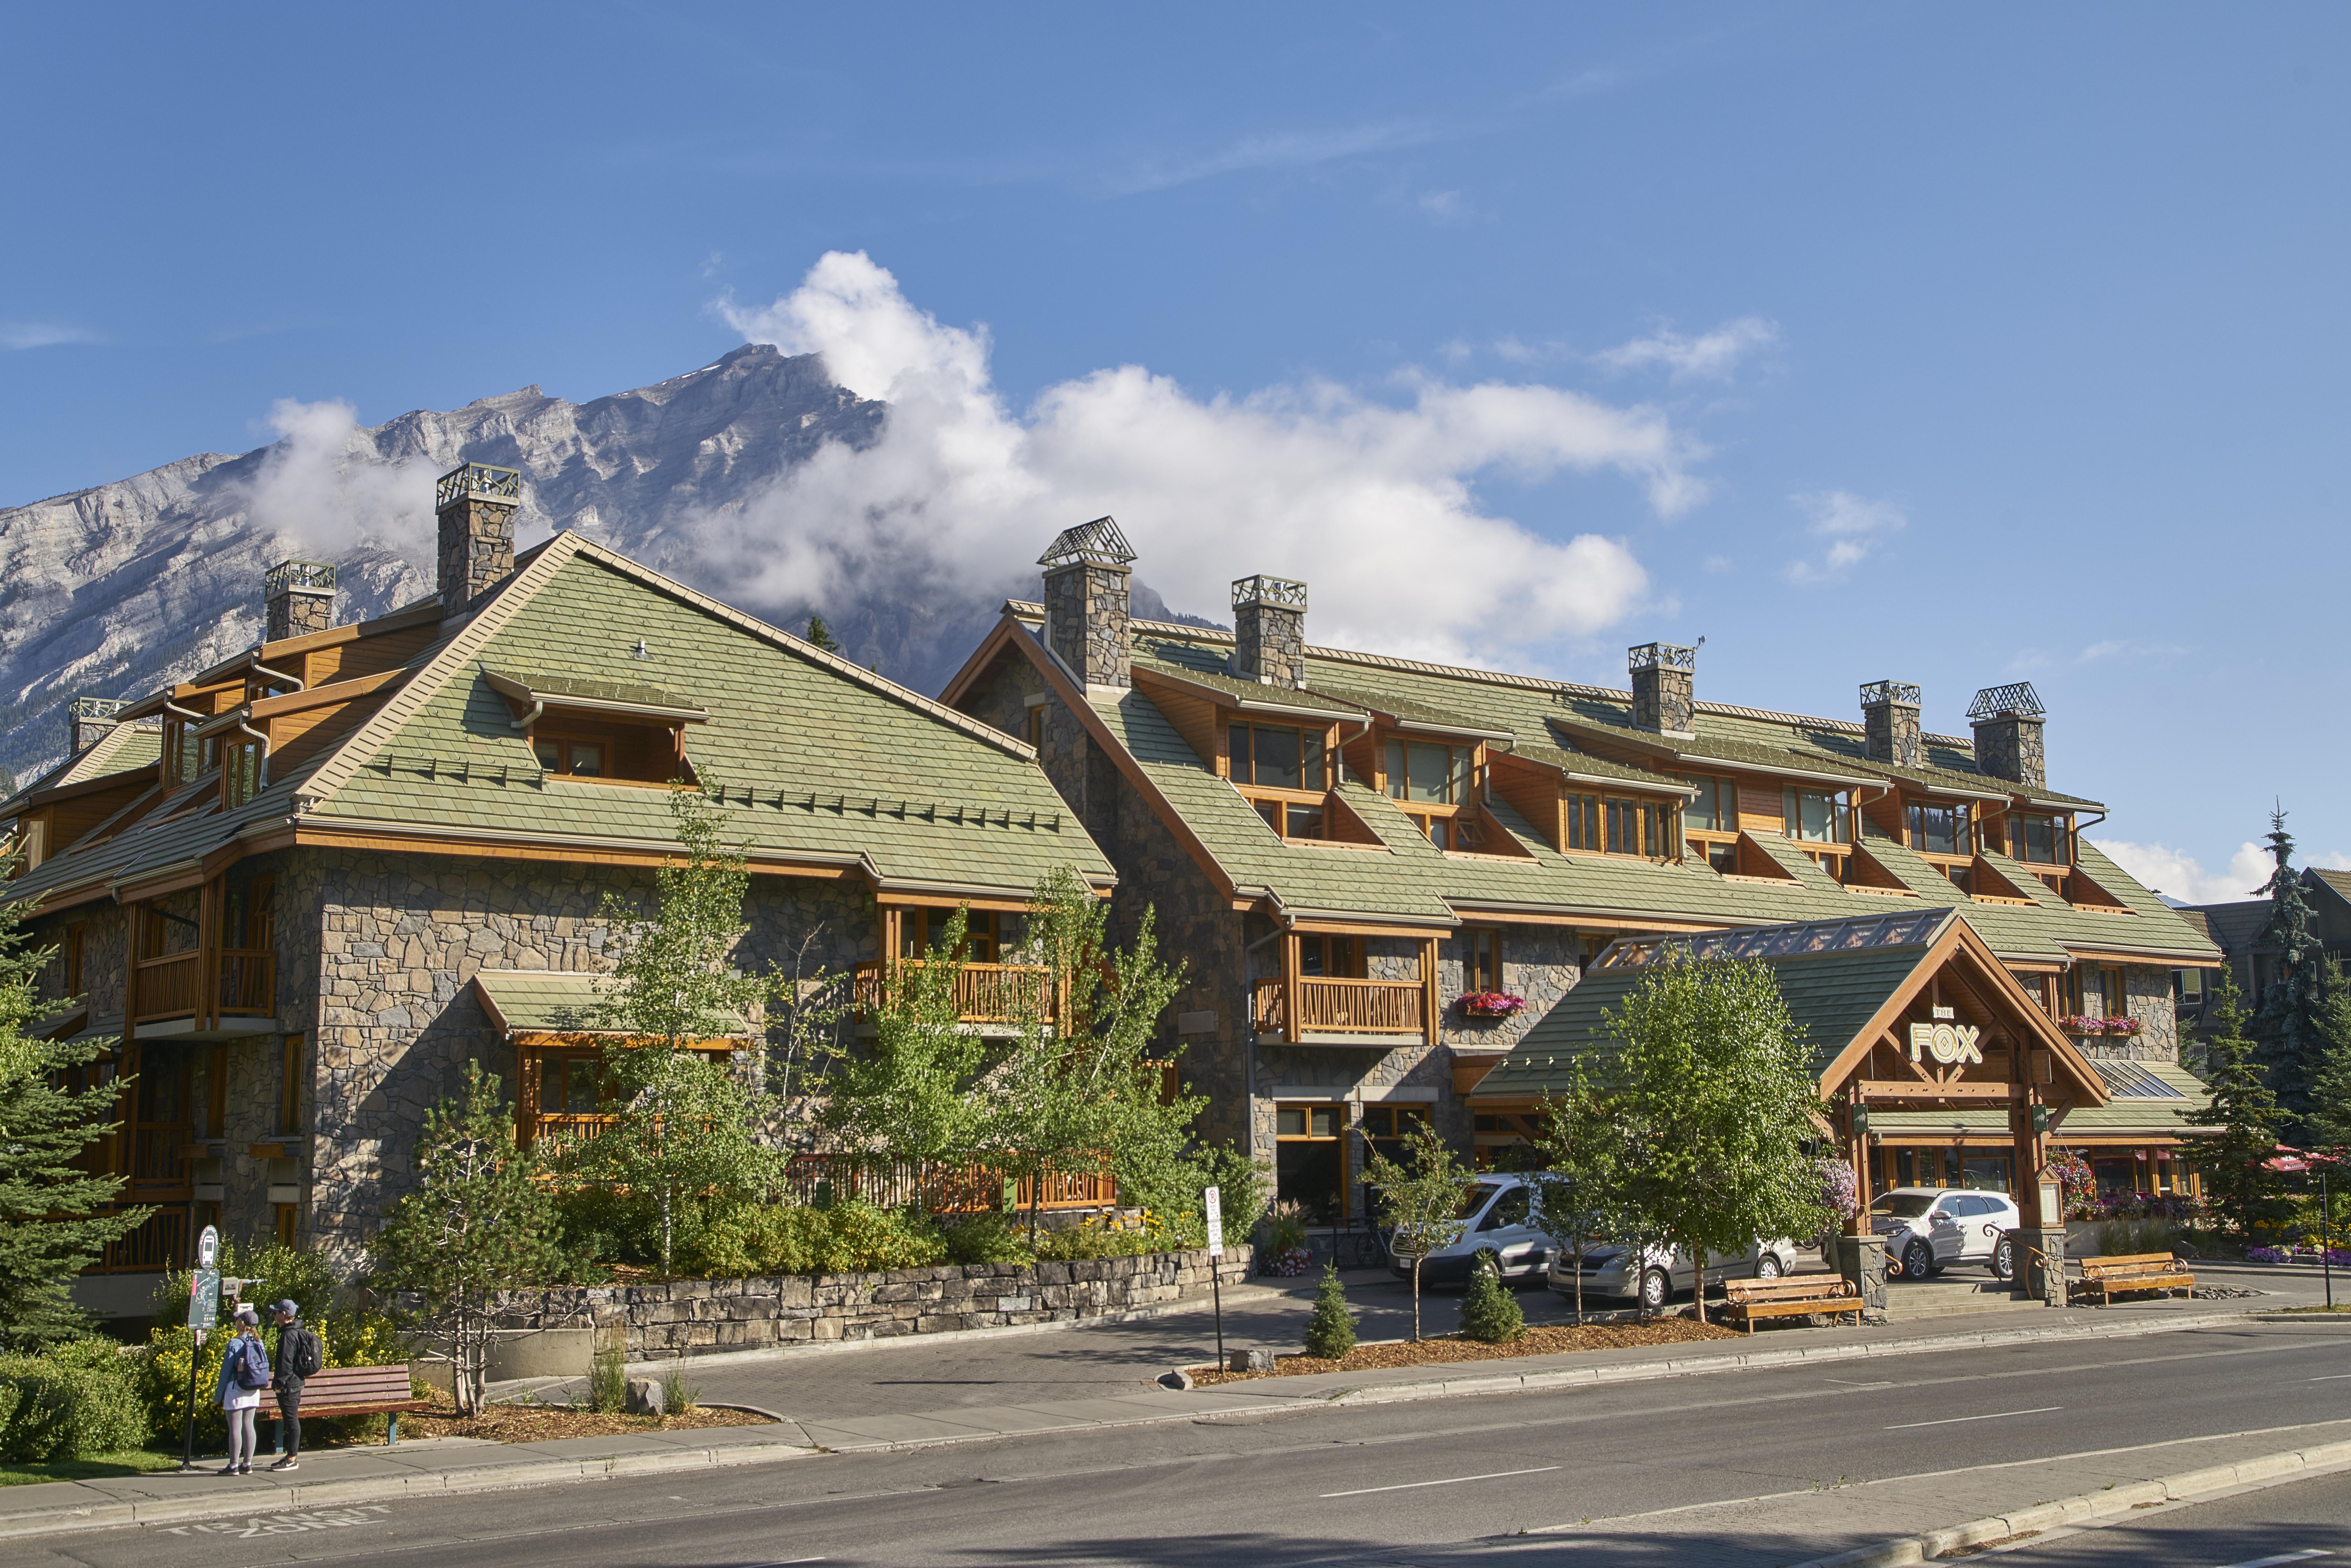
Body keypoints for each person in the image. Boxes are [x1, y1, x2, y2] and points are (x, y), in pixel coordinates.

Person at [213, 1306, 268, 1476]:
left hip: (236, 1388)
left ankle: (233, 1466)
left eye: (237, 1320)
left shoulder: (235, 1343)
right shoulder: (259, 1342)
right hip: (253, 1389)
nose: (235, 1322)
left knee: (235, 1428)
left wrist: (219, 1394)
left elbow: (226, 1371)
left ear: (242, 1323)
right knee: (249, 1425)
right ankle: (248, 1464)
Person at [268, 1299, 321, 1471]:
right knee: (292, 1420)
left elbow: (285, 1363)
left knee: (291, 1421)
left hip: (288, 1385)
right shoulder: (298, 1332)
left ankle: (292, 1458)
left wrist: (280, 1385)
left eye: (276, 1312)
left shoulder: (288, 1335)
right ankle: (291, 1455)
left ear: (284, 1315)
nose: (274, 1315)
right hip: (296, 1383)